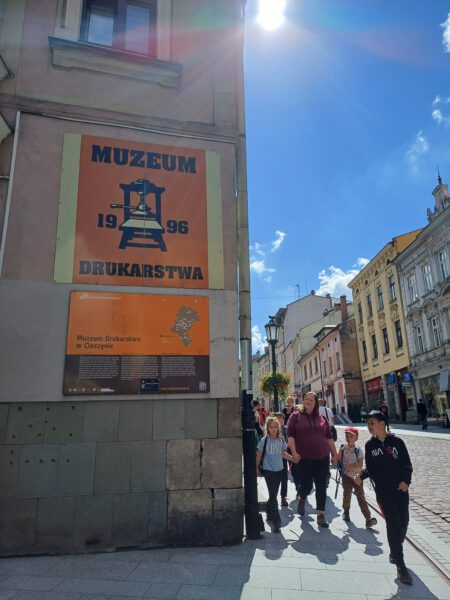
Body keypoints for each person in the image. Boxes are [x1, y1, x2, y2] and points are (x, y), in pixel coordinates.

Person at [354, 410, 413, 585]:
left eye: (372, 423)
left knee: (404, 522)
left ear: (382, 423)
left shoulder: (397, 442)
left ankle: (395, 549)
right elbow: (370, 468)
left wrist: (406, 481)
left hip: (400, 489)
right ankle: (400, 564)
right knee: (393, 524)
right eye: (368, 423)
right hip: (383, 491)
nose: (369, 426)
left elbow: (407, 465)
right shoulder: (370, 446)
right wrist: (361, 476)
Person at [287, 391, 338, 528]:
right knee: (307, 485)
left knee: (321, 486)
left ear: (316, 403)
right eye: (306, 398)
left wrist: (335, 455)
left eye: (311, 399)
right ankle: (302, 498)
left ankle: (321, 515)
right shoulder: (295, 416)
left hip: (322, 457)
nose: (308, 401)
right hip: (304, 458)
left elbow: (329, 438)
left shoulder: (322, 418)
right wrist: (293, 452)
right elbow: (290, 436)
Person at [256, 416, 295, 532]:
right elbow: (258, 454)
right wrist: (256, 467)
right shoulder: (264, 440)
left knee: (273, 494)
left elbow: (283, 453)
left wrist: (293, 459)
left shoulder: (281, 440)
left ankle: (269, 512)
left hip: (279, 470)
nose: (273, 429)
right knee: (273, 495)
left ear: (278, 428)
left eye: (275, 427)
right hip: (268, 470)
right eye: (271, 427)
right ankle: (276, 519)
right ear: (267, 428)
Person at [337, 427, 377, 528]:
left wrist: (351, 466)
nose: (348, 438)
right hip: (346, 476)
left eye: (351, 436)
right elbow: (337, 459)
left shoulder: (358, 450)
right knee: (347, 495)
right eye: (347, 436)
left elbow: (360, 466)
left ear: (356, 438)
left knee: (361, 497)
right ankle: (346, 512)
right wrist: (336, 461)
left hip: (357, 477)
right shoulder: (343, 448)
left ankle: (368, 517)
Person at [275, 412, 289, 506]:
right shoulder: (271, 429)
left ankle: (283, 497)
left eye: (280, 418)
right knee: (275, 478)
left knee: (284, 478)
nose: (279, 420)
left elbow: (289, 441)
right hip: (273, 457)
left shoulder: (286, 429)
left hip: (283, 456)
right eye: (277, 418)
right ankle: (273, 496)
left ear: (283, 420)